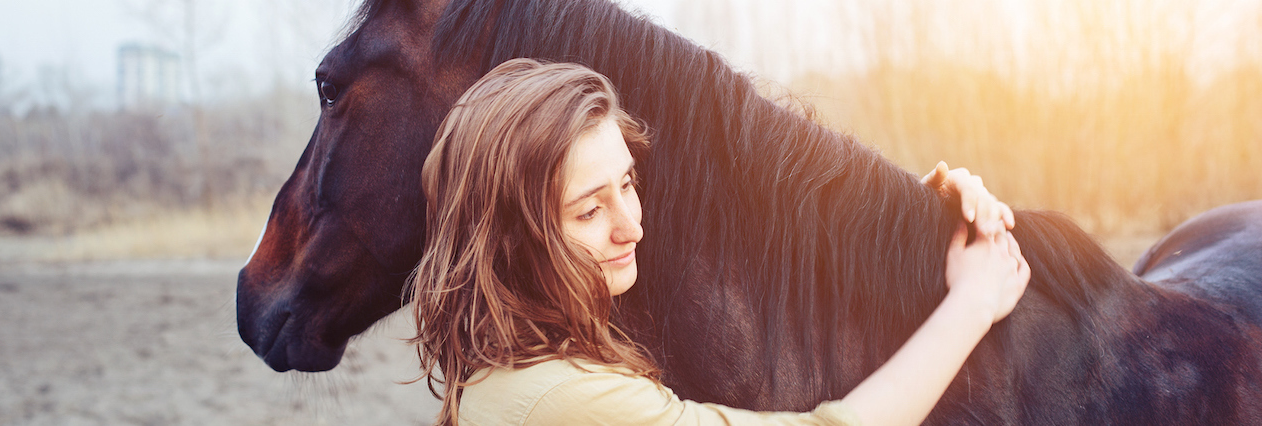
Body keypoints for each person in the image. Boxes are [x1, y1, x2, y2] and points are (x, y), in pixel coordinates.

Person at [409, 58, 1030, 426]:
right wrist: (972, 303)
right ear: (510, 241)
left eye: (628, 184)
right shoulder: (563, 398)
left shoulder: (512, 362)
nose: (632, 226)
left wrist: (910, 226)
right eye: (590, 210)